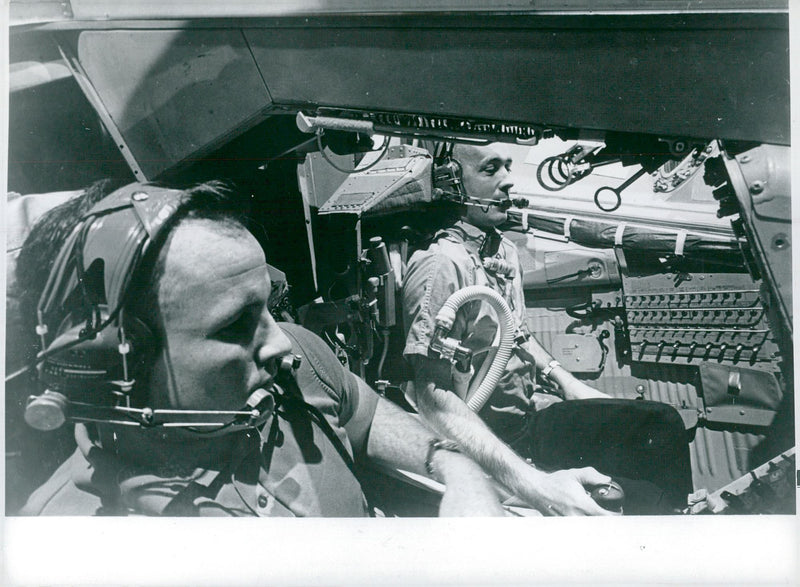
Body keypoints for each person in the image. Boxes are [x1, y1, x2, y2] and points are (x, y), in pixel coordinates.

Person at [17, 180, 504, 517]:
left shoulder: (295, 367)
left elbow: (370, 417)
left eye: (268, 307)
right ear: (110, 360)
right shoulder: (70, 540)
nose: (280, 342)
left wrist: (459, 470)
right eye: (235, 325)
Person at [402, 142, 691, 515]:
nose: (508, 180)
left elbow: (516, 333)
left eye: (507, 166)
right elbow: (432, 394)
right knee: (653, 442)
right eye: (490, 169)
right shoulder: (442, 264)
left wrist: (569, 384)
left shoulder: (503, 250)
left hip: (528, 416)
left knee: (651, 429)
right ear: (452, 182)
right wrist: (524, 478)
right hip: (494, 437)